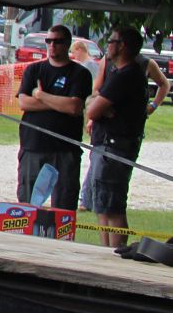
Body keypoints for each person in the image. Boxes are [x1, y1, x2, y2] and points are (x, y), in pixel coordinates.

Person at [15, 23, 92, 210]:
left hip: (64, 148)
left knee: (64, 205)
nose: (52, 45)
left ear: (67, 44)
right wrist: (59, 103)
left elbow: (74, 107)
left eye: (57, 41)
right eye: (48, 41)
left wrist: (41, 96)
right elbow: (24, 103)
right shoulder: (34, 70)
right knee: (28, 203)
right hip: (33, 144)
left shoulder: (80, 73)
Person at [87, 26, 150, 248]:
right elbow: (95, 102)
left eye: (111, 41)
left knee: (112, 207)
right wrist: (98, 105)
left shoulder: (126, 75)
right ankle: (106, 253)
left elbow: (93, 110)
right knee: (102, 206)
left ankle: (115, 254)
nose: (108, 46)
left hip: (114, 149)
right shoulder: (118, 73)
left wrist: (98, 107)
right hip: (106, 145)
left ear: (122, 46)